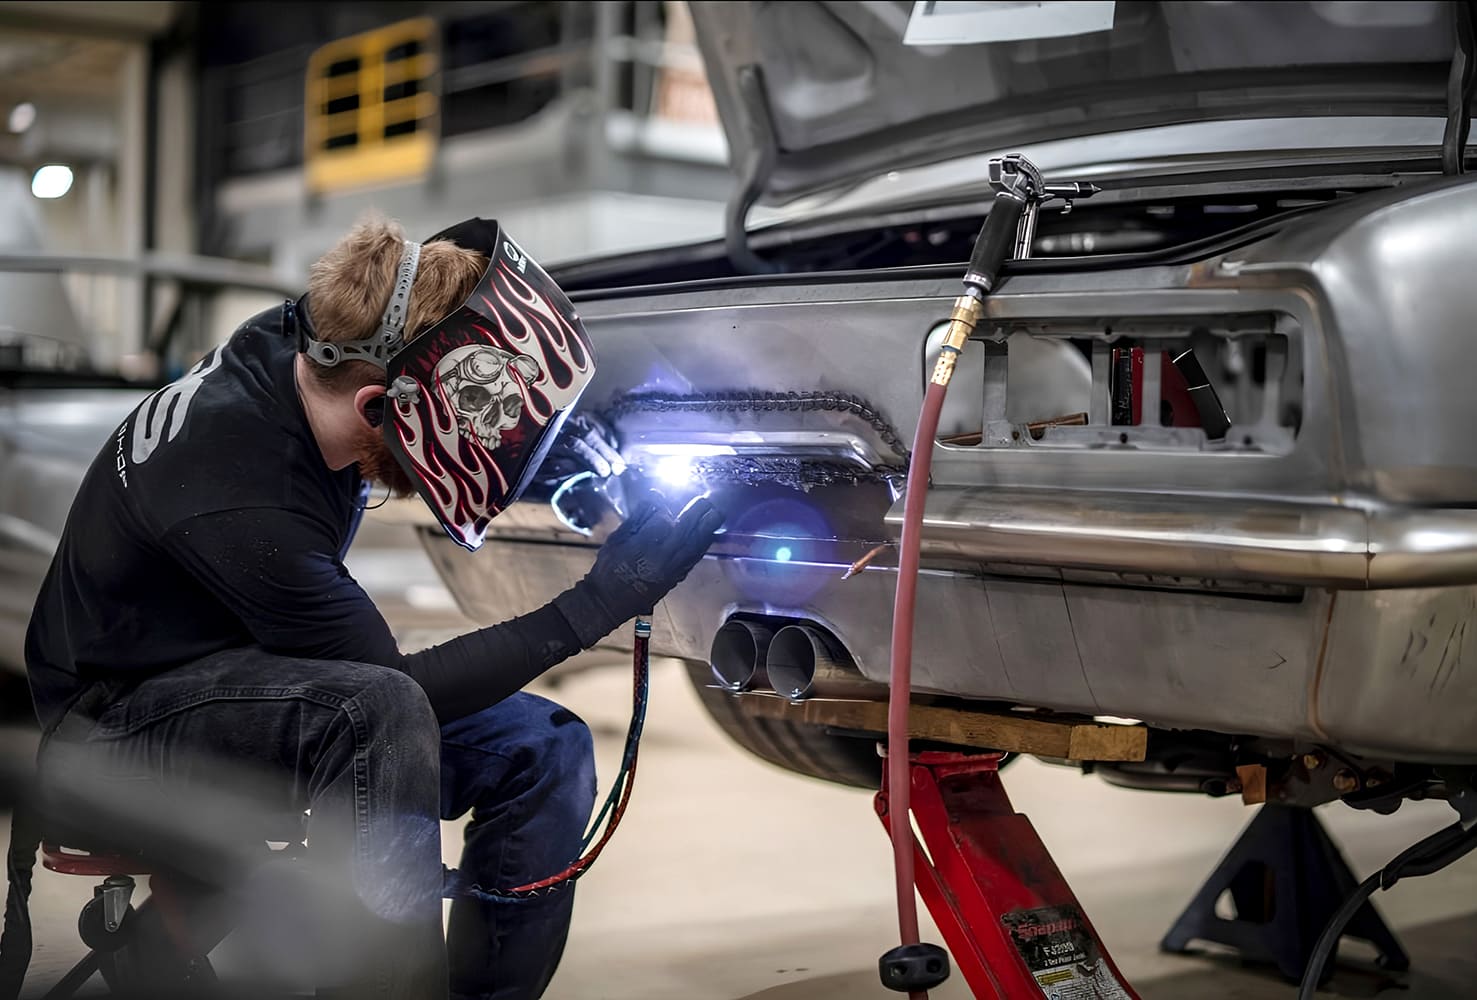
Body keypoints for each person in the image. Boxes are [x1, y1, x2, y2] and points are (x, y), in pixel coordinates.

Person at [16, 214, 723, 999]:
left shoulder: (299, 347)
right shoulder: (242, 493)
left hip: (233, 670)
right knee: (376, 713)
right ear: (380, 405)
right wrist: (601, 602)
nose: (484, 435)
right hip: (111, 728)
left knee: (543, 746)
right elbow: (397, 692)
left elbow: (419, 346)